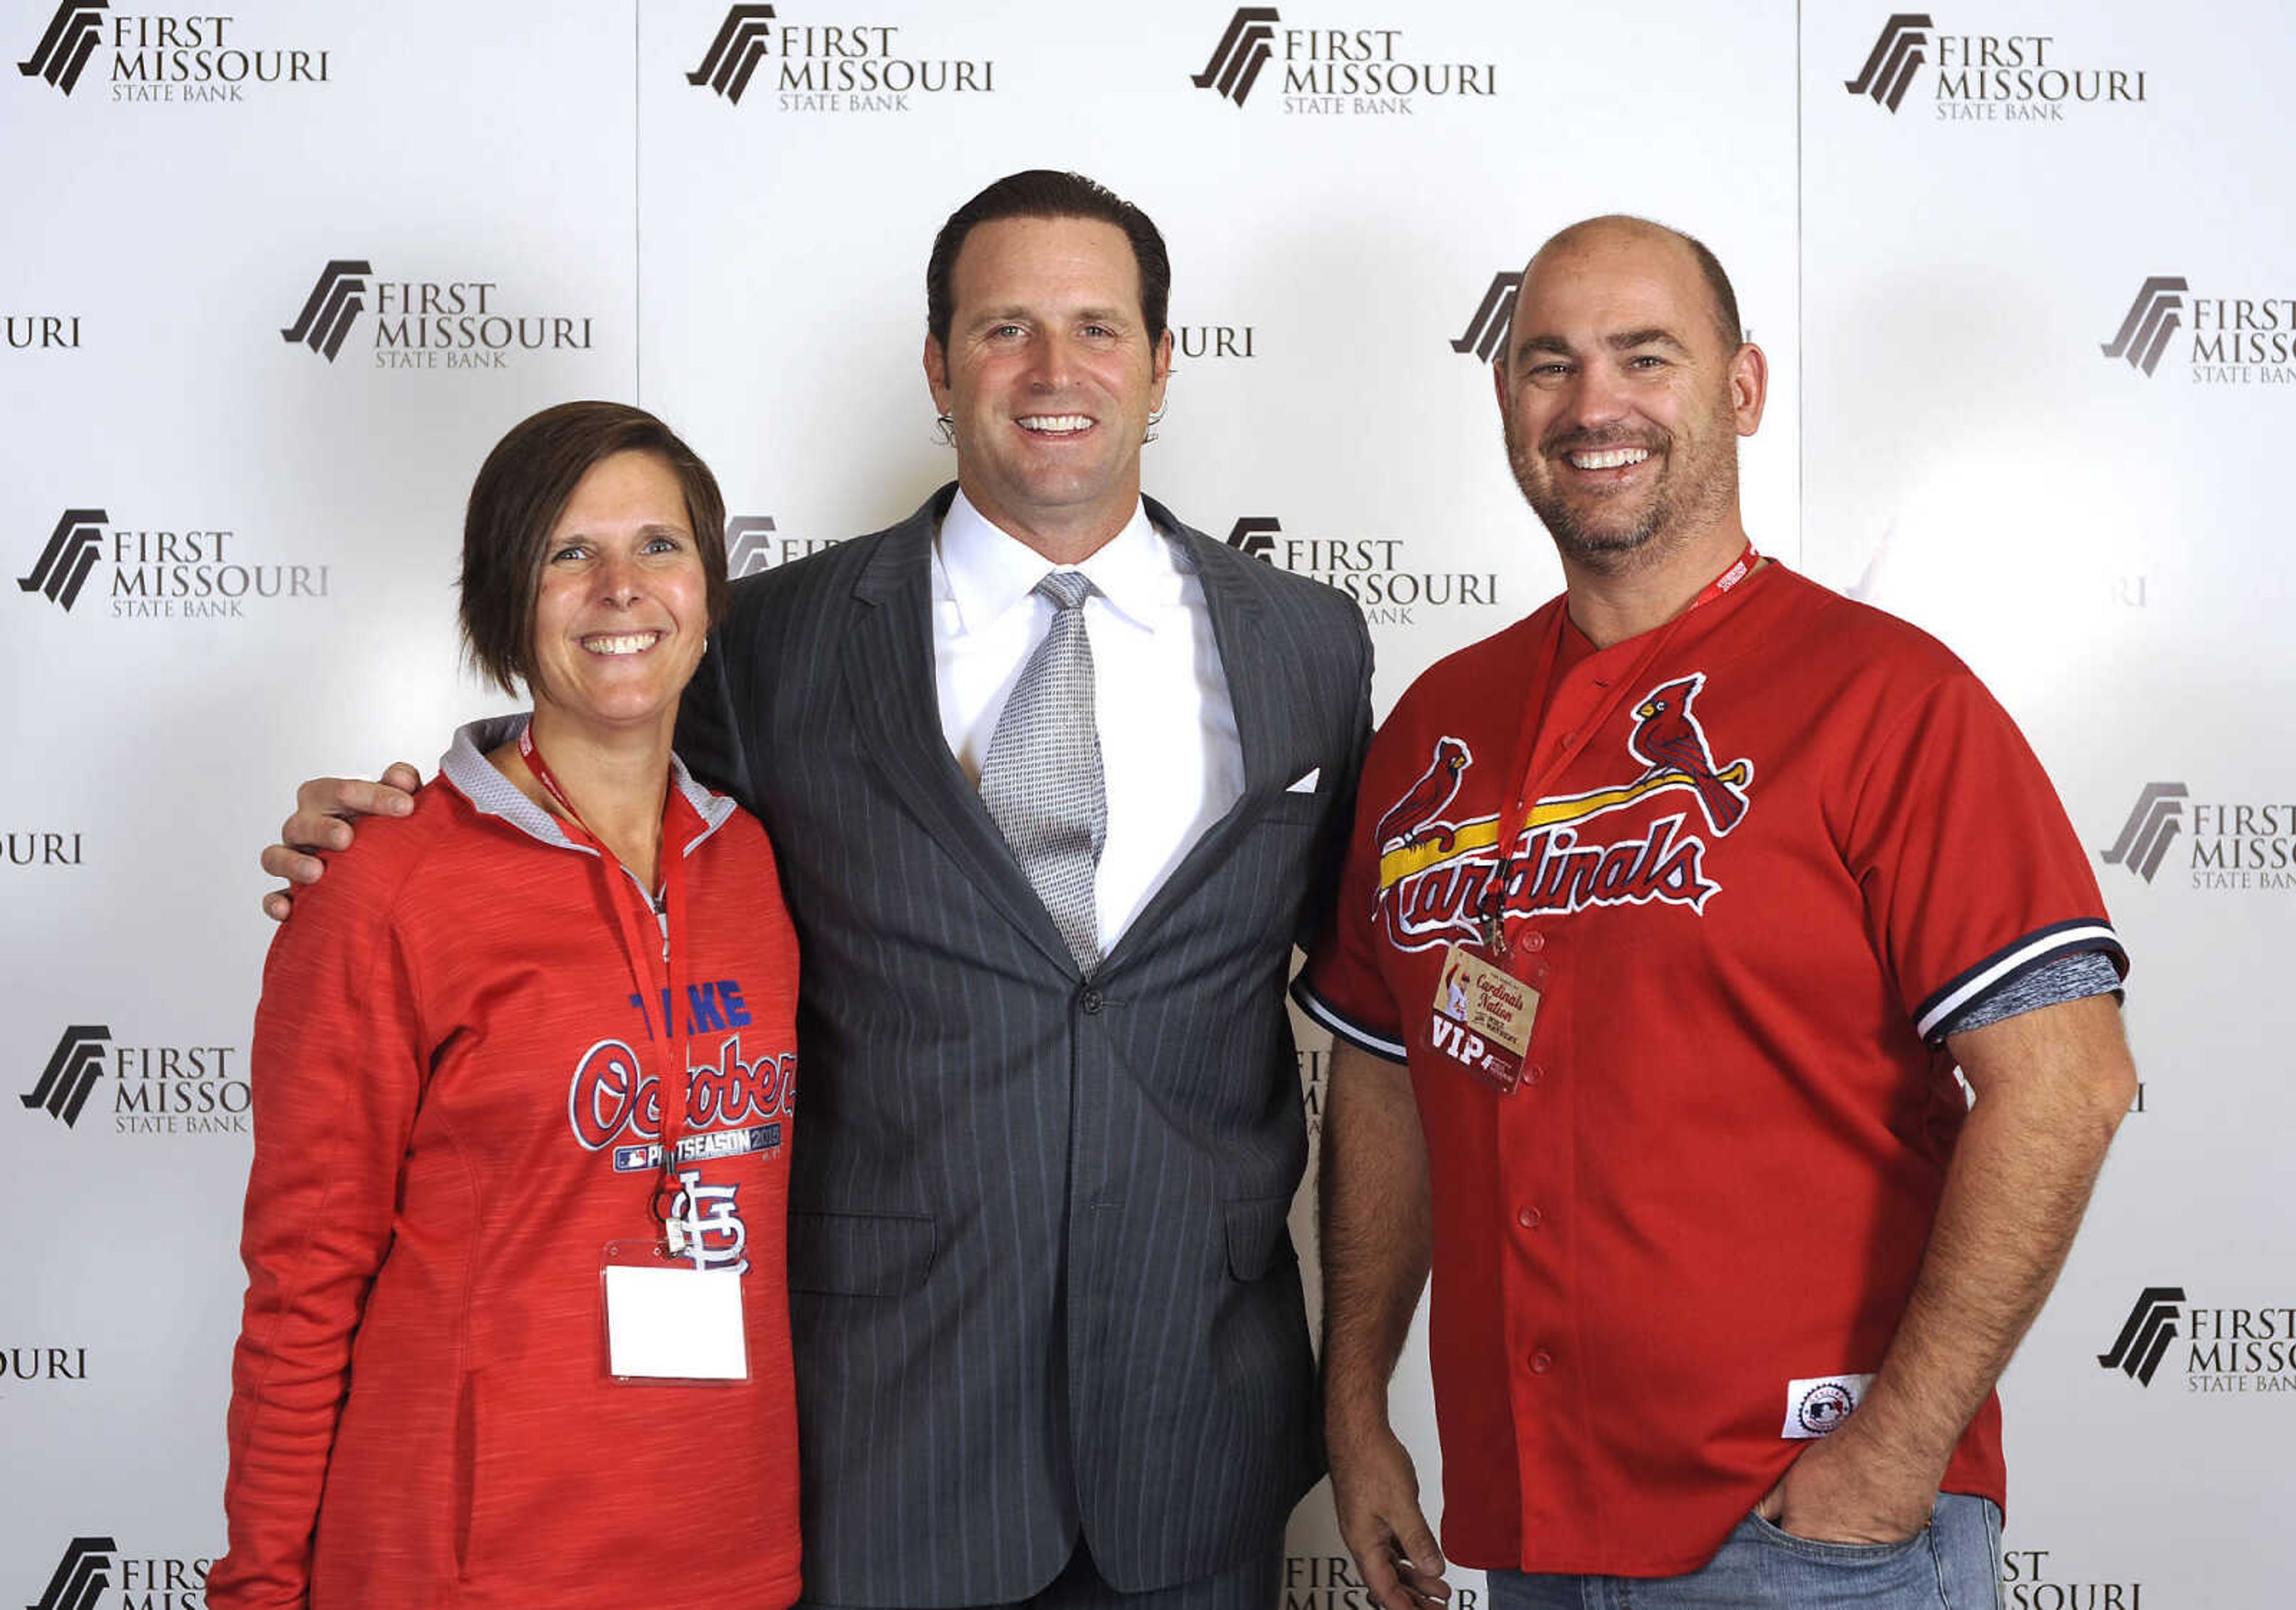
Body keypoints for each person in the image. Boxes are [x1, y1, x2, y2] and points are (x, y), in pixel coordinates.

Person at [260, 172, 1371, 1610]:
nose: (1053, 373)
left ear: (1164, 364)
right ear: (937, 366)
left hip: (1196, 1437)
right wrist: (392, 836)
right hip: (881, 1444)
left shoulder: (1310, 645)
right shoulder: (771, 646)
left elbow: (1368, 994)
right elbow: (601, 814)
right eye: (1003, 329)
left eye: (1098, 327)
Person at [1297, 216, 2138, 1610]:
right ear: (1505, 400)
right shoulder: (1438, 721)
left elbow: (2068, 1085)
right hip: (1532, 1523)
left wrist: (1896, 1448)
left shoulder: (1889, 699)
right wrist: (1357, 1403)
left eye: (1646, 357)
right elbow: (1386, 1079)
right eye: (1548, 364)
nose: (1593, 407)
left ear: (1741, 389)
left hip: (1807, 1530)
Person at [214, 402, 802, 1609]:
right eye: (567, 554)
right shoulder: (384, 881)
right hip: (472, 1560)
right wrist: (261, 1587)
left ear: (710, 591)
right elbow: (304, 1278)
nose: (621, 590)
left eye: (660, 547)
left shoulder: (753, 862)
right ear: (501, 600)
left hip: (730, 1551)